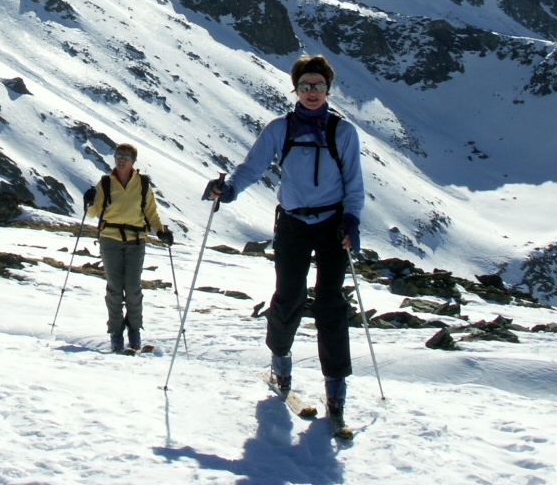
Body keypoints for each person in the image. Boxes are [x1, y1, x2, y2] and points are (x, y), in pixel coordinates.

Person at [203, 54, 364, 432]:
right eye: (305, 86)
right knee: (288, 297)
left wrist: (351, 220)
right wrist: (227, 190)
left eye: (318, 86)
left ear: (328, 90)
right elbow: (252, 166)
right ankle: (280, 363)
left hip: (331, 224)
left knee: (330, 304)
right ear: (296, 88)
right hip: (292, 223)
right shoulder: (280, 129)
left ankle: (336, 388)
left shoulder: (343, 132)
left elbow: (354, 184)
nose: (312, 92)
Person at [83, 142, 173, 353]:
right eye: (118, 156)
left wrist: (161, 231)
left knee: (132, 288)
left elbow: (151, 211)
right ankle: (116, 333)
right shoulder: (105, 183)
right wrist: (90, 202)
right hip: (110, 239)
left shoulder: (142, 184)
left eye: (126, 157)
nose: (121, 160)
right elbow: (94, 212)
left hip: (135, 239)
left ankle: (134, 331)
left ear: (133, 161)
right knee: (115, 288)